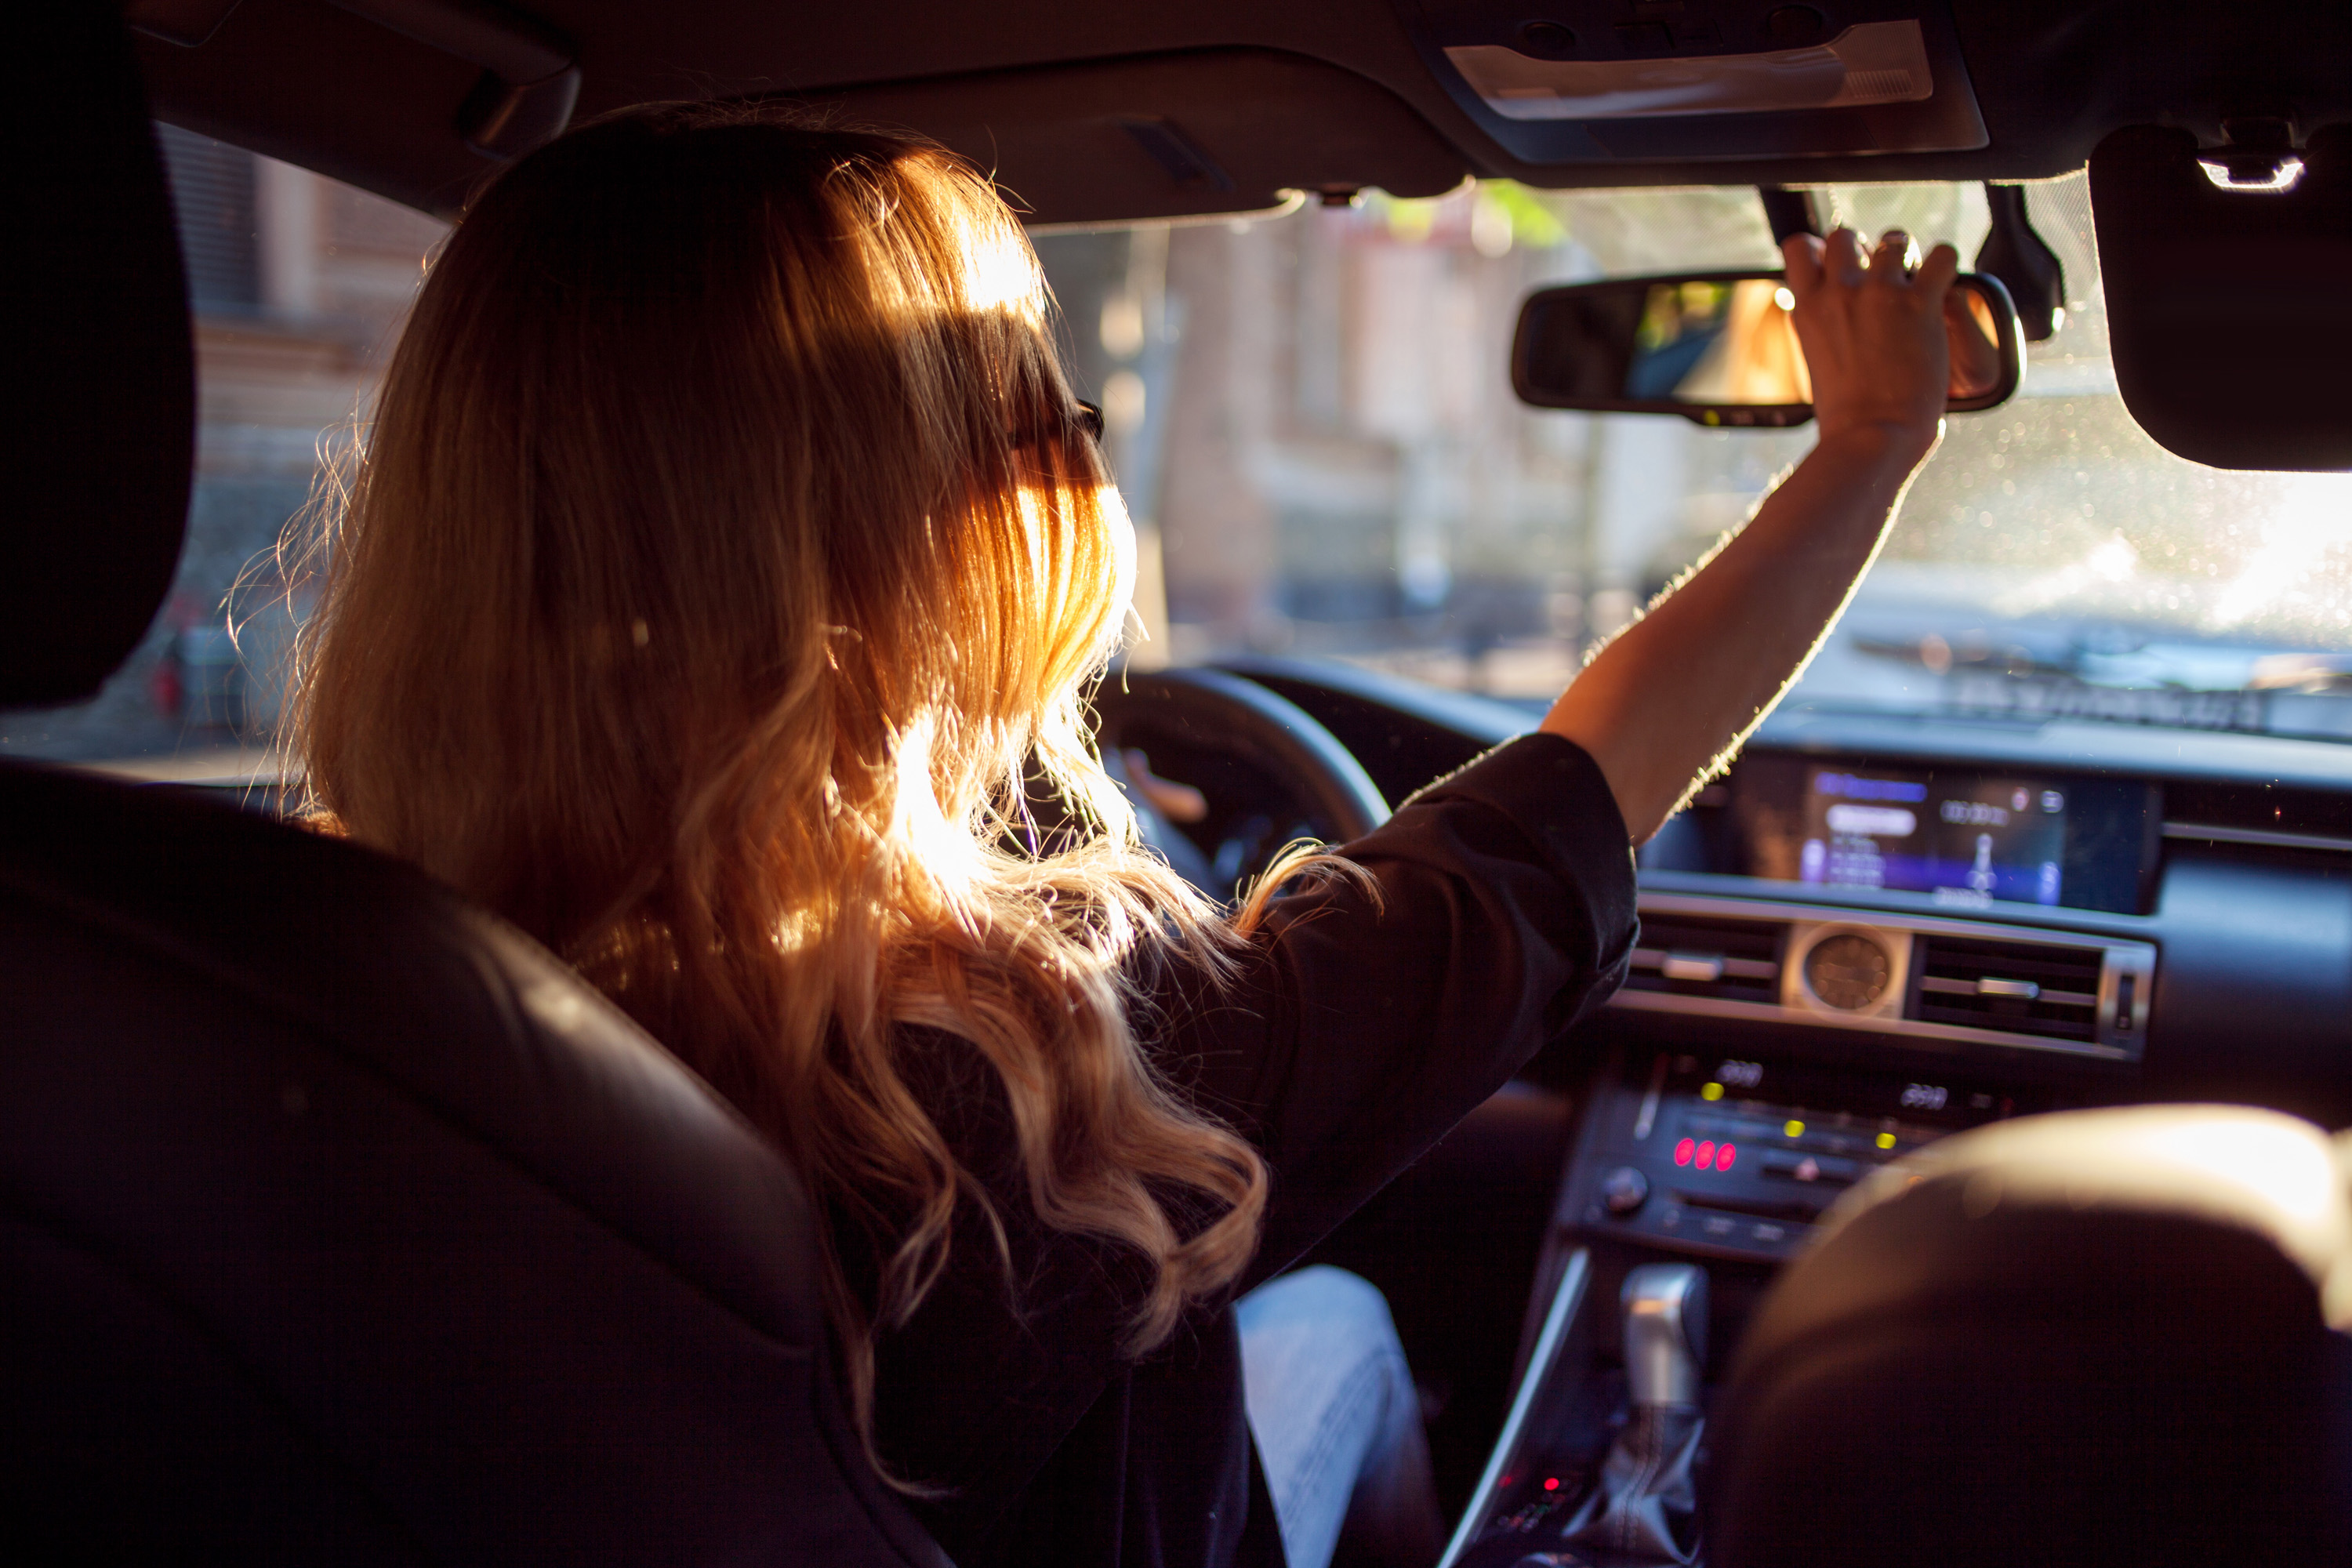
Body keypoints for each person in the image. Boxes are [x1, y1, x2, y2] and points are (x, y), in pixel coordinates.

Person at [287, 102, 1955, 1568]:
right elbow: (1560, 816)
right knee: (1353, 1335)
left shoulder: (301, 993)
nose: (1068, 445)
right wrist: (1862, 455)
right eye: (1034, 412)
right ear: (933, 531)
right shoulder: (1024, 1074)